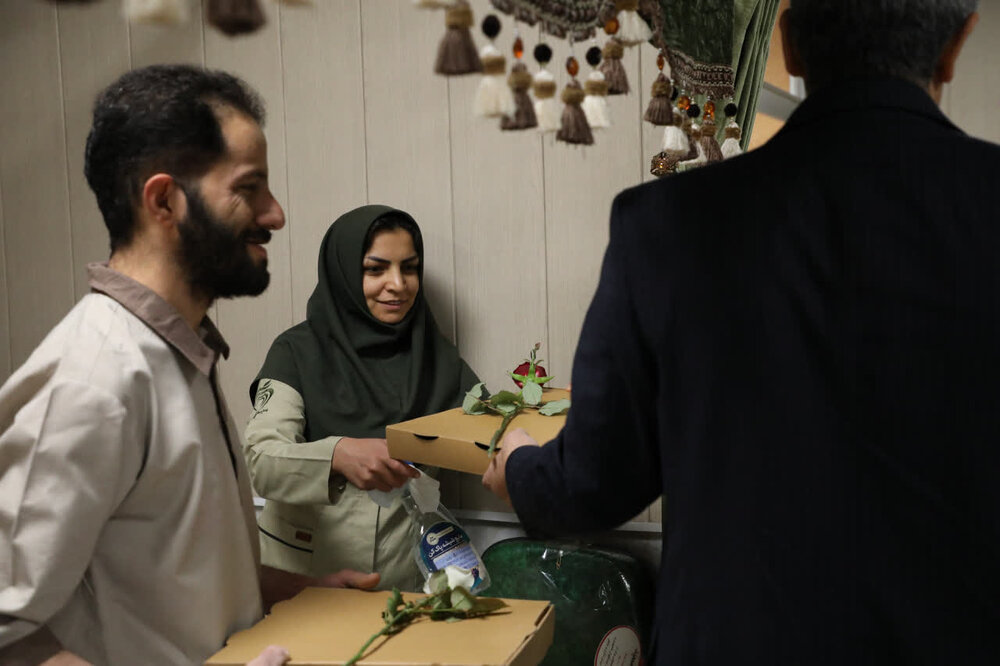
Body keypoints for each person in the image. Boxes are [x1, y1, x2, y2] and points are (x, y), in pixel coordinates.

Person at [484, 1, 1000, 663]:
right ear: (955, 47)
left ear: (791, 45)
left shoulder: (668, 222)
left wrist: (520, 466)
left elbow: (593, 482)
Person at [0, 65, 377, 666]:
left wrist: (298, 593)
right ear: (164, 201)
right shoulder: (95, 380)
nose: (275, 214)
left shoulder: (181, 353)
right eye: (249, 188)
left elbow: (171, 577)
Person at [245, 205, 480, 592]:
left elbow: (488, 437)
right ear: (343, 273)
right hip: (305, 580)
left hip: (401, 582)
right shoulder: (297, 351)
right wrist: (338, 454)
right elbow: (261, 460)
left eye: (409, 268)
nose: (398, 284)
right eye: (375, 269)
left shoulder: (438, 359)